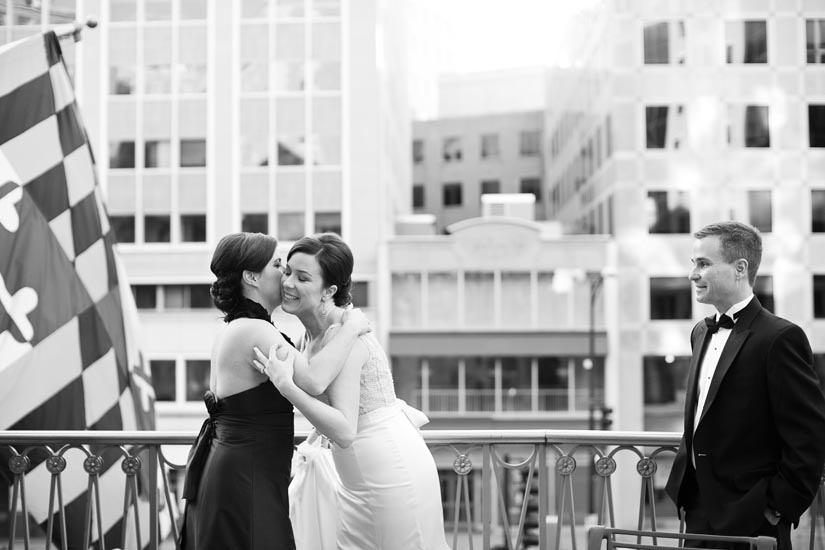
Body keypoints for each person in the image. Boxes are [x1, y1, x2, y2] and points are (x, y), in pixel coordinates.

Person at [254, 233, 450, 550]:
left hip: (387, 468)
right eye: (287, 271)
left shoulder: (344, 333)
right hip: (355, 475)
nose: (288, 283)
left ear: (329, 290)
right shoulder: (310, 336)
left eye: (302, 277)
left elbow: (344, 429)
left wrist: (286, 386)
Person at [179, 232, 369, 550]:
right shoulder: (255, 330)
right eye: (278, 264)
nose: (284, 274)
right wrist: (351, 329)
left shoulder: (238, 327)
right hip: (245, 477)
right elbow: (313, 380)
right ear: (252, 277)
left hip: (241, 470)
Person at [665, 221, 825, 550]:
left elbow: (809, 436)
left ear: (740, 268)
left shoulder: (780, 338)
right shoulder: (700, 332)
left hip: (752, 518)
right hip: (696, 512)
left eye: (704, 264)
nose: (693, 274)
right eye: (693, 264)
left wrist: (777, 505)